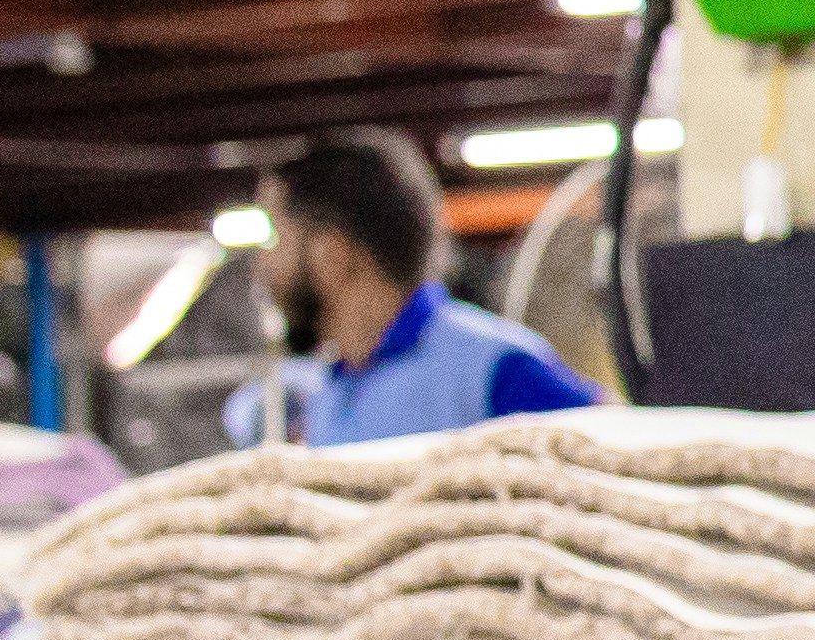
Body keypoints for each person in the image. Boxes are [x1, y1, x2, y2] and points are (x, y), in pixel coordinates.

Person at [249, 128, 596, 444]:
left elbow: (614, 455)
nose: (262, 263)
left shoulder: (494, 369)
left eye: (276, 239)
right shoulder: (332, 390)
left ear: (333, 254)